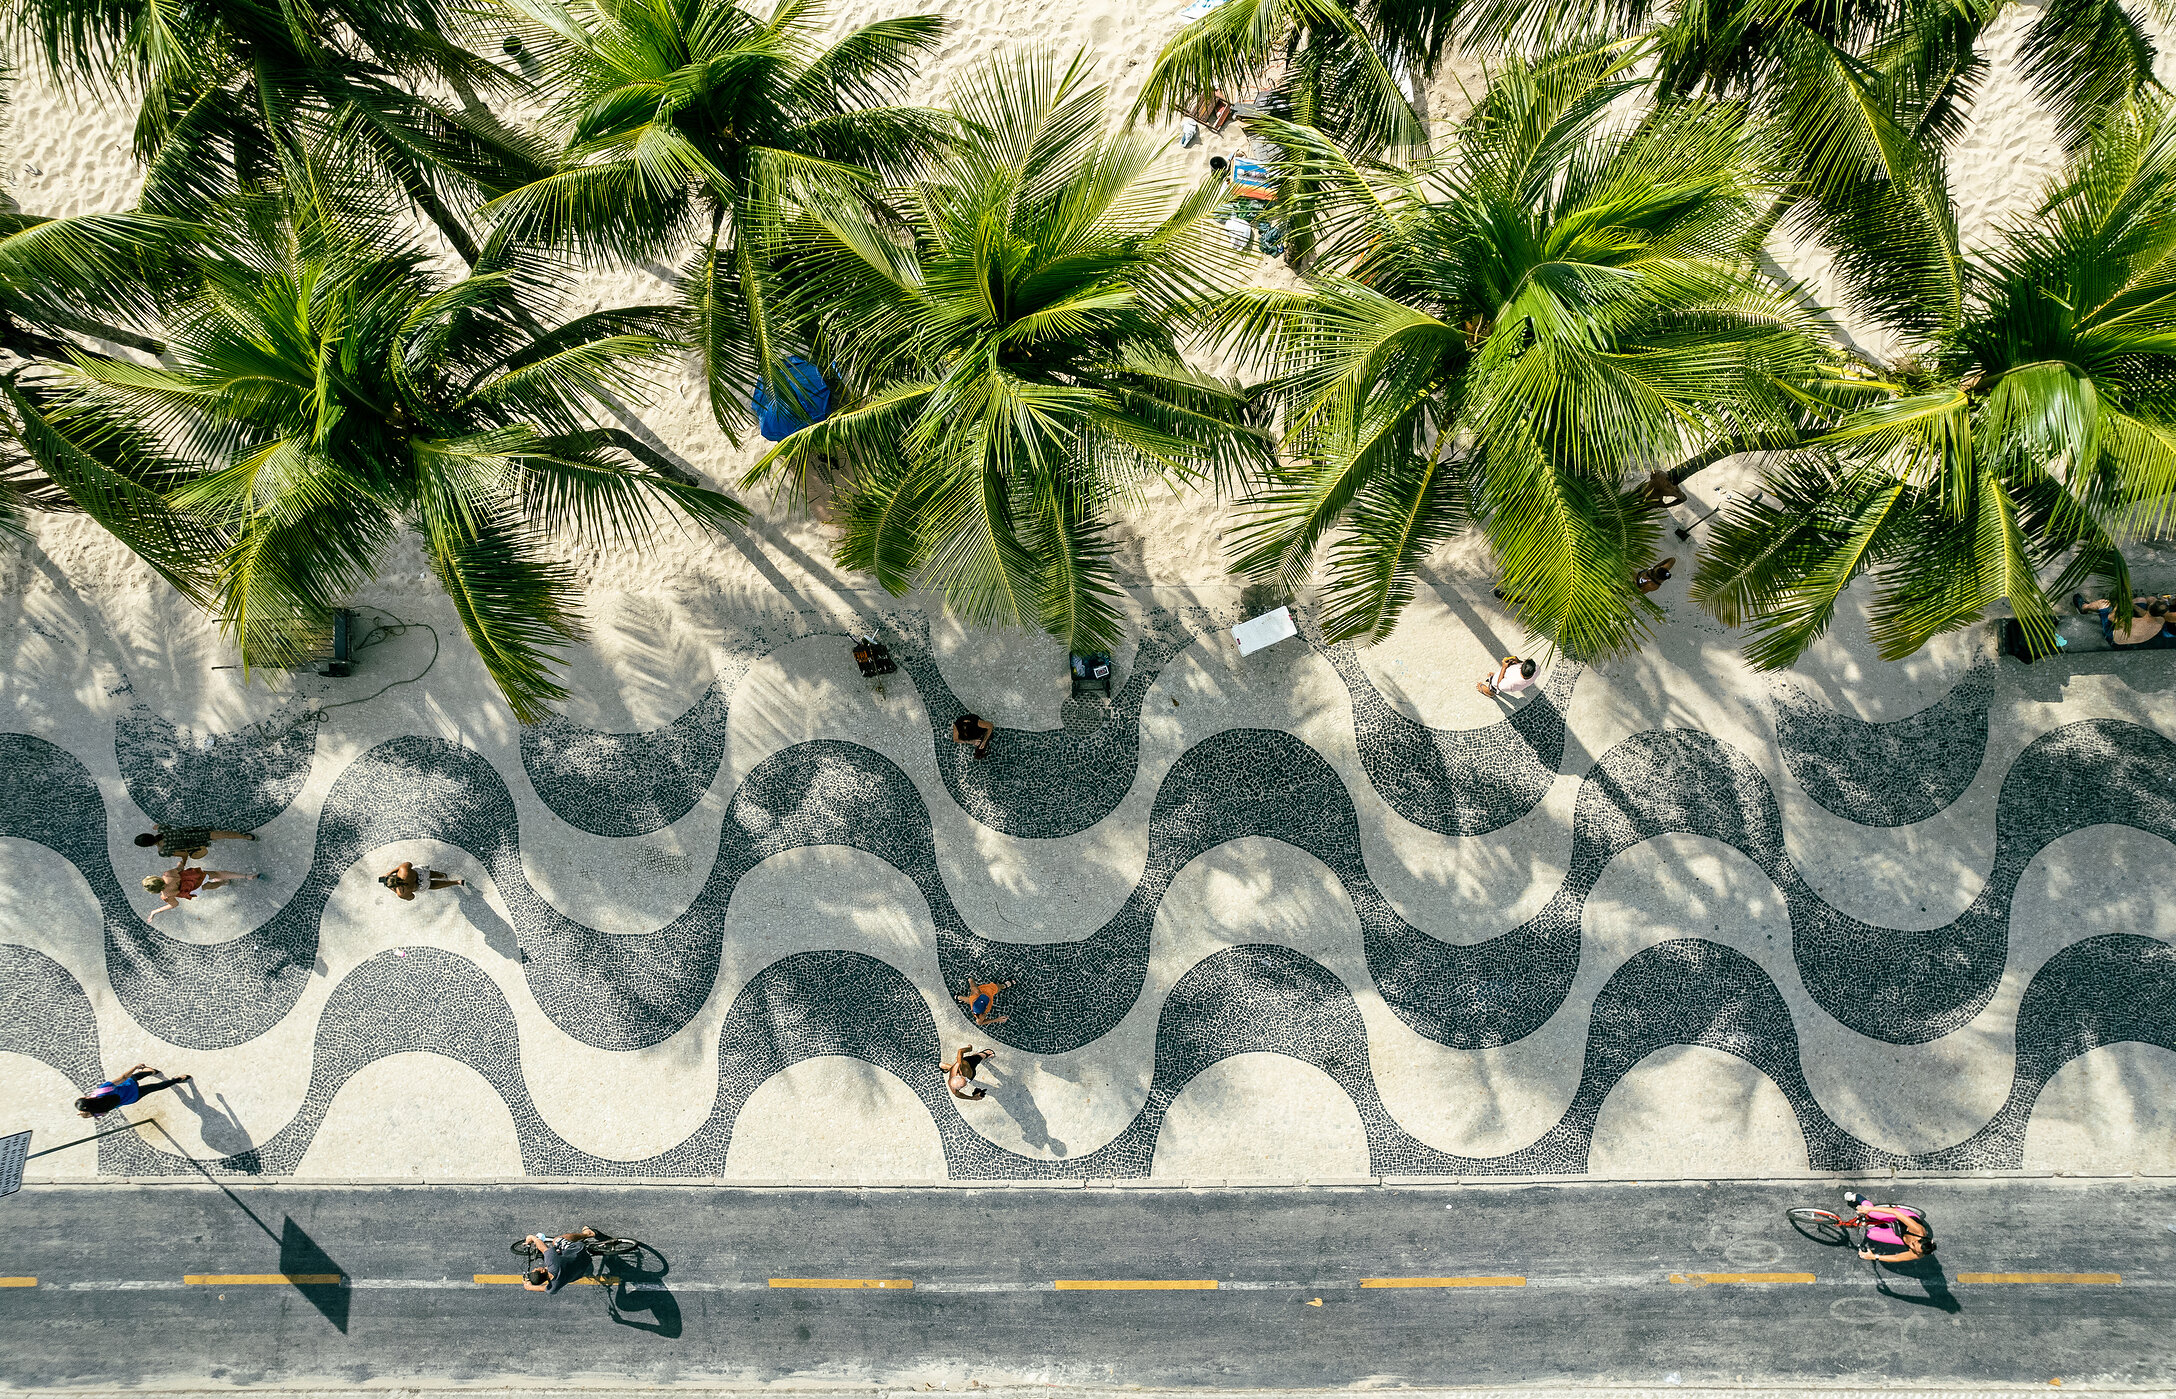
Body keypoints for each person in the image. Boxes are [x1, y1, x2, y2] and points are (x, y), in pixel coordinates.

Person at [142, 862, 255, 919]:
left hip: (193, 889)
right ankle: (246, 876)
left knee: (209, 886)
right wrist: (180, 862)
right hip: (195, 878)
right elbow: (180, 868)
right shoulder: (168, 875)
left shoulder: (166, 895)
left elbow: (174, 904)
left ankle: (223, 883)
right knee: (217, 873)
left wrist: (155, 911)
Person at [76, 1064, 191, 1118]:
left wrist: (85, 1113)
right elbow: (123, 1077)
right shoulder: (102, 1090)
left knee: (155, 1087)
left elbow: (93, 1114)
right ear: (86, 1098)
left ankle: (179, 1079)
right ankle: (152, 1072)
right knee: (136, 1077)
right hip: (129, 1086)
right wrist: (135, 1067)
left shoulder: (98, 1110)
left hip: (132, 1097)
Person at [1848, 1195, 1935, 1263]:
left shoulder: (1918, 1254)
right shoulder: (1917, 1230)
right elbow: (1895, 1212)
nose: (1911, 1247)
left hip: (1900, 1234)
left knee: (1871, 1234)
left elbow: (1896, 1258)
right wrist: (1869, 1209)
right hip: (1900, 1218)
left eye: (1915, 1250)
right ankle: (1859, 1197)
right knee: (1871, 1213)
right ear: (1918, 1239)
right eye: (1913, 1244)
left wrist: (1874, 1257)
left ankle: (1881, 1225)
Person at [2074, 594, 2176, 647]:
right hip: (2141, 636)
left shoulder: (2132, 623)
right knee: (2140, 600)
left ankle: (2083, 608)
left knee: (2104, 603)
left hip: (2114, 638)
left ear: (2149, 607)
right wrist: (2132, 605)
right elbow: (2145, 615)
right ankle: (2133, 603)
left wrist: (2119, 603)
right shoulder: (2160, 620)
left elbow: (2111, 618)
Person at [522, 1226, 599, 1293]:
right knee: (557, 1240)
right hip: (580, 1251)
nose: (536, 1268)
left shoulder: (554, 1285)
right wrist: (533, 1238)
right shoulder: (551, 1261)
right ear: (542, 1271)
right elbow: (543, 1248)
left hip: (586, 1267)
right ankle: (587, 1234)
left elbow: (545, 1289)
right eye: (535, 1269)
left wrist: (530, 1287)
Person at [133, 826, 256, 860]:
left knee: (217, 837)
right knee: (222, 834)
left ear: (148, 846)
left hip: (194, 845)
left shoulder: (163, 852)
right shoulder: (163, 830)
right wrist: (157, 827)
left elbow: (183, 854)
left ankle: (245, 837)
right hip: (196, 834)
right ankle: (245, 837)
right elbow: (163, 826)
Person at [379, 860, 466, 900]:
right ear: (392, 876)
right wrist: (391, 871)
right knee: (430, 873)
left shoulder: (401, 893)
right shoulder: (403, 870)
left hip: (421, 885)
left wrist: (395, 890)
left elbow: (412, 897)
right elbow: (409, 863)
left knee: (432, 885)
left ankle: (456, 882)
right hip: (421, 874)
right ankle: (442, 875)